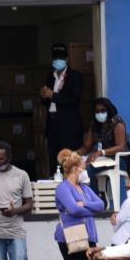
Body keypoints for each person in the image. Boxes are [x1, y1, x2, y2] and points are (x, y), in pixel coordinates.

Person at [53, 149, 106, 260]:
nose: (86, 171)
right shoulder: (62, 188)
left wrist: (85, 204)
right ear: (76, 169)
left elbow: (101, 205)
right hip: (70, 237)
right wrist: (87, 208)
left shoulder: (84, 188)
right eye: (84, 167)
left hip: (88, 235)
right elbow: (73, 209)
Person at [41, 43, 84, 176]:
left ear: (66, 59)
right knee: (53, 158)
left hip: (69, 126)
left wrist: (53, 95)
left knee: (68, 159)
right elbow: (47, 101)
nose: (57, 61)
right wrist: (44, 95)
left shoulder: (76, 76)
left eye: (61, 58)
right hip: (53, 123)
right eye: (55, 58)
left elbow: (74, 100)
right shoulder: (50, 76)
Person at [77, 97, 130, 202]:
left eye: (102, 110)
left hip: (117, 159)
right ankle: (95, 197)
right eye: (97, 111)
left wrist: (101, 152)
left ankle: (96, 200)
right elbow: (87, 146)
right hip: (101, 160)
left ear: (109, 110)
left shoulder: (117, 123)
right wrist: (73, 155)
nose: (99, 113)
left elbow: (121, 146)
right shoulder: (95, 124)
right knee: (80, 168)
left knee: (88, 170)